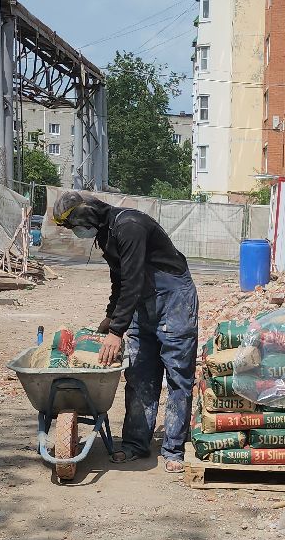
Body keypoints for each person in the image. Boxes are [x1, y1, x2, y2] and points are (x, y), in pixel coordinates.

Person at [51, 192, 197, 470]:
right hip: (142, 300)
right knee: (140, 373)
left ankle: (173, 449)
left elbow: (133, 279)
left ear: (86, 215)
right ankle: (135, 443)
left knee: (178, 373)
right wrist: (110, 316)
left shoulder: (130, 226)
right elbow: (119, 280)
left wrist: (117, 331)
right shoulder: (106, 235)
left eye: (73, 226)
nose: (75, 233)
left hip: (174, 298)